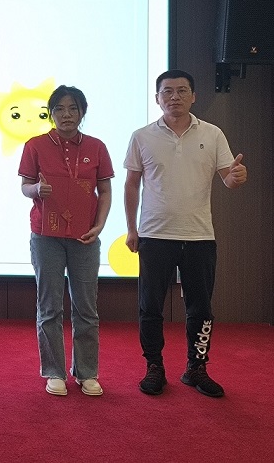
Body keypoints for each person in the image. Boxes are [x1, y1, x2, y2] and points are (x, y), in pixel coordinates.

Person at [124, 69, 247, 398]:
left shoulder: (213, 133)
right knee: (150, 307)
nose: (174, 97)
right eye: (167, 91)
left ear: (193, 96)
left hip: (199, 236)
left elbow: (228, 178)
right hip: (154, 235)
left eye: (181, 90)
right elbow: (131, 185)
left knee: (201, 309)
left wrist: (236, 178)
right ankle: (154, 366)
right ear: (157, 98)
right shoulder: (142, 136)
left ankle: (197, 367)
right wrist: (132, 229)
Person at [19, 85, 112, 397]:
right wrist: (36, 190)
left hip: (85, 236)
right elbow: (25, 186)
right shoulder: (35, 145)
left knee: (86, 307)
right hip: (46, 236)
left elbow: (105, 190)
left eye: (73, 108)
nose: (66, 114)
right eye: (59, 109)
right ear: (51, 113)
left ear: (82, 112)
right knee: (49, 306)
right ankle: (54, 371)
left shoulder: (96, 147)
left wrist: (99, 225)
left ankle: (87, 372)